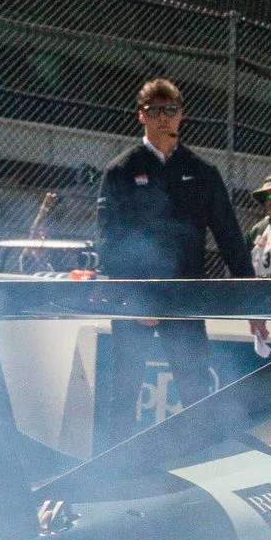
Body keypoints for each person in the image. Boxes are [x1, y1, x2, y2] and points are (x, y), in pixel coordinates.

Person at [95, 78, 262, 440]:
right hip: (134, 299)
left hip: (184, 298)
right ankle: (114, 480)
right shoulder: (121, 170)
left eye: (171, 110)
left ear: (181, 115)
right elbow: (109, 242)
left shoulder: (203, 172)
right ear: (141, 116)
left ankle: (197, 469)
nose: (163, 119)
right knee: (123, 393)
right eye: (154, 111)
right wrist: (134, 299)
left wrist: (253, 302)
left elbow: (231, 239)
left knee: (196, 393)